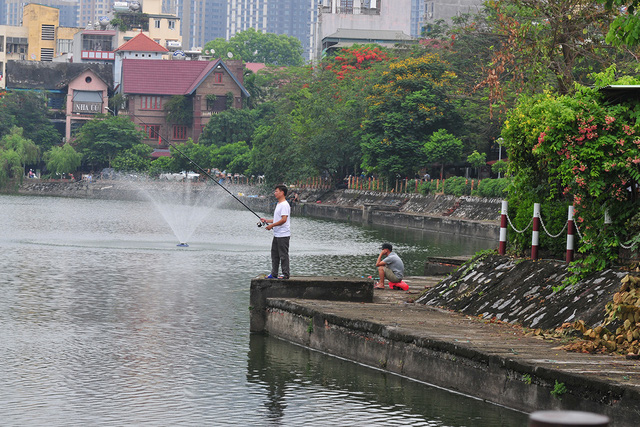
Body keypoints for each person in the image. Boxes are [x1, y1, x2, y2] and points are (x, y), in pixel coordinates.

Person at [260, 184, 291, 279]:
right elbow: (277, 219)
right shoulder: (279, 204)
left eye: (276, 191)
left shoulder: (285, 205)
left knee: (283, 255)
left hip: (283, 234)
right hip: (277, 234)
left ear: (282, 193)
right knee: (274, 255)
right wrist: (267, 221)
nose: (275, 193)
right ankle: (274, 274)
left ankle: (285, 274)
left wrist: (271, 226)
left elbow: (284, 220)